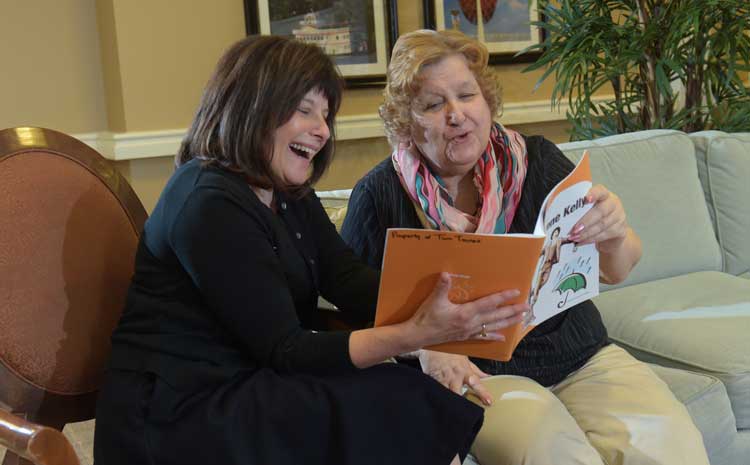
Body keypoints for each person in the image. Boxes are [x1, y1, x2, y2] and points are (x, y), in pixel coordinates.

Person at [93, 35, 529, 465]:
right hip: (182, 410)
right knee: (396, 398)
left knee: (400, 393)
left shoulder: (284, 191)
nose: (321, 130)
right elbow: (285, 349)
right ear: (252, 107)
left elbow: (345, 277)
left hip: (248, 382)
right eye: (305, 110)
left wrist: (449, 308)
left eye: (325, 115)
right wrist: (417, 335)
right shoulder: (207, 202)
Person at [341, 29, 710, 465]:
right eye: (433, 104)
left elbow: (619, 268)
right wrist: (425, 348)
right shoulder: (379, 196)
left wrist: (614, 230)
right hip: (477, 374)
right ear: (406, 120)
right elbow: (358, 317)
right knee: (552, 455)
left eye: (466, 95)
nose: (456, 114)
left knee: (674, 450)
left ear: (487, 102)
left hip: (582, 355)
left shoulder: (537, 160)